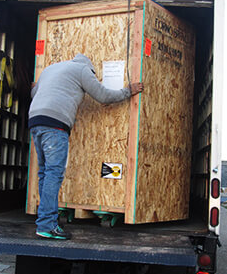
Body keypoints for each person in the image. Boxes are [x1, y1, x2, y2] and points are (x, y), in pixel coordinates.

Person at [28, 54, 144, 240]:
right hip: (55, 123)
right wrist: (127, 91)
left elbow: (35, 93)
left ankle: (45, 222)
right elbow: (103, 96)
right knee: (53, 173)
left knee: (44, 173)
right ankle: (47, 225)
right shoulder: (82, 70)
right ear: (90, 69)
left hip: (35, 120)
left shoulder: (50, 69)